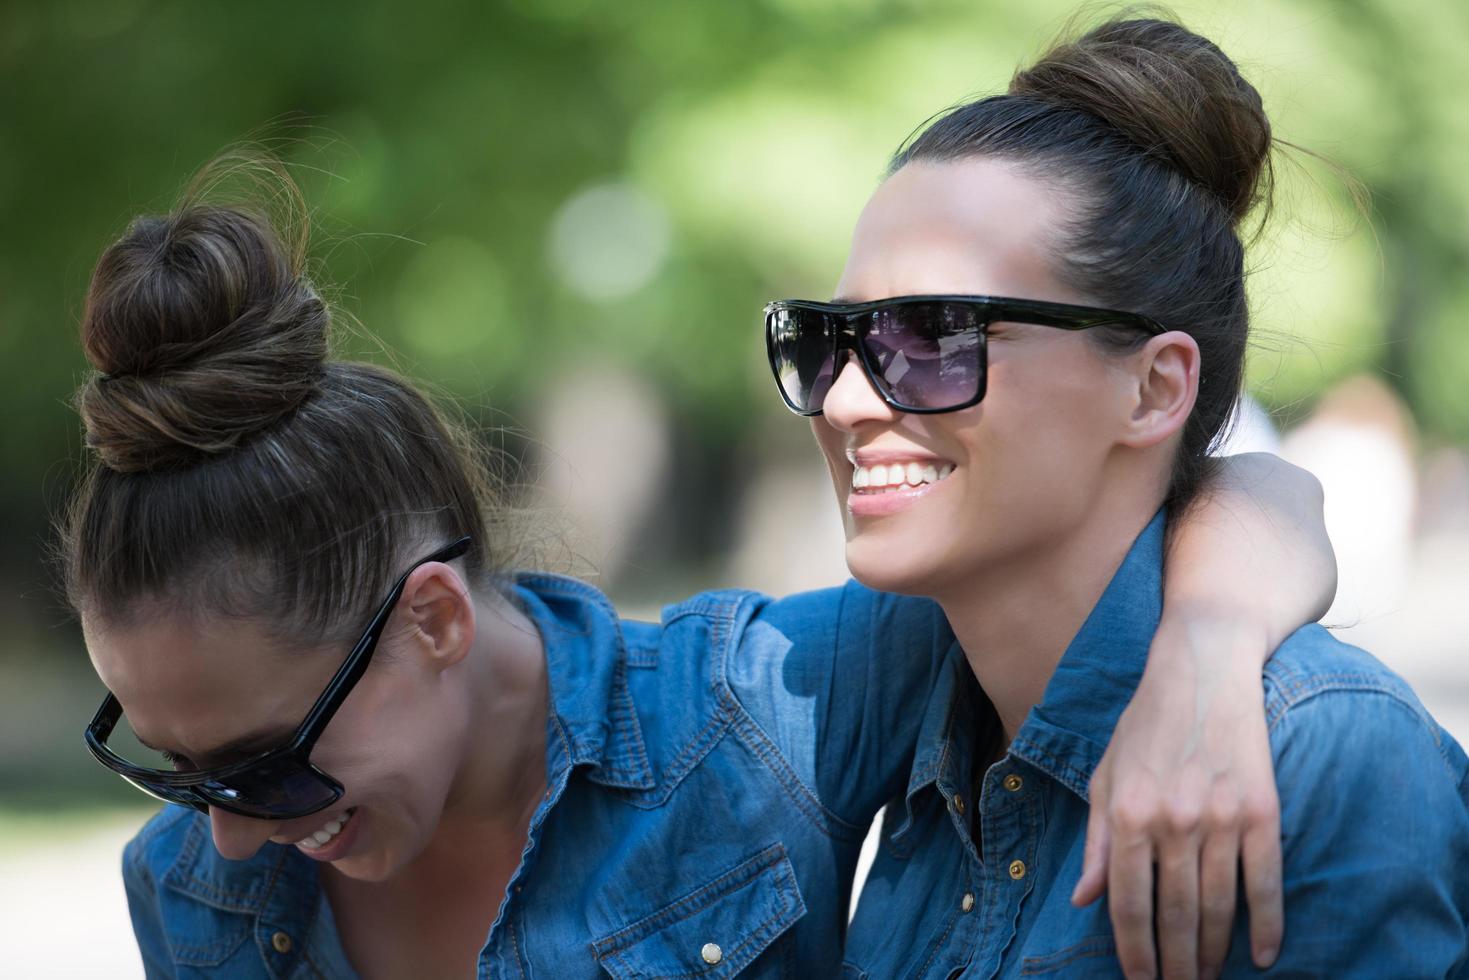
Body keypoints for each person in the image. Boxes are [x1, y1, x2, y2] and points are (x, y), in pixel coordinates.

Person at [64, 159, 1330, 977]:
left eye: (268, 763)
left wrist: (1209, 648)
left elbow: (1175, 503)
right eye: (170, 771)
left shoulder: (756, 707)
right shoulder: (190, 897)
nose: (229, 837)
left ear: (434, 617)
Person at [764, 15, 1469, 977]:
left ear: (1152, 389)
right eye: (826, 337)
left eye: (933, 335)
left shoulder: (1317, 756)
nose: (843, 400)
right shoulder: (902, 690)